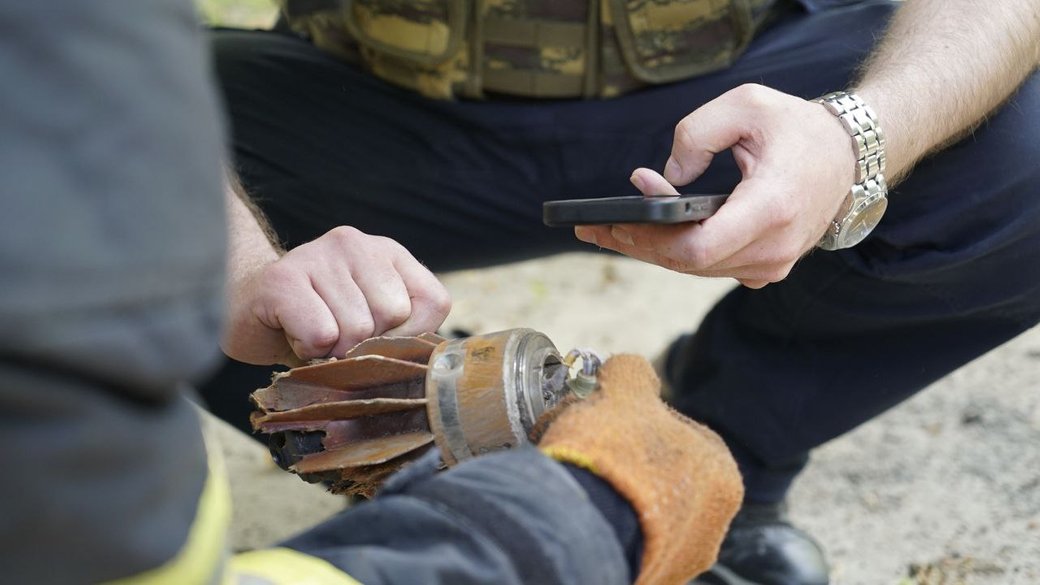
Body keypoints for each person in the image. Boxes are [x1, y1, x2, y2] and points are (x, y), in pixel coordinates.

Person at [202, 0, 1040, 583]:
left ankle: (702, 455)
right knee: (99, 200)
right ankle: (392, 431)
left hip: (729, 87)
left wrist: (856, 136)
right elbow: (85, 57)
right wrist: (236, 265)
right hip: (359, 103)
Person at [0, 1, 744, 583]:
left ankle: (749, 451)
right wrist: (563, 529)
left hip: (691, 85)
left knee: (848, 153)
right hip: (381, 98)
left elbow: (88, 85)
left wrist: (856, 134)